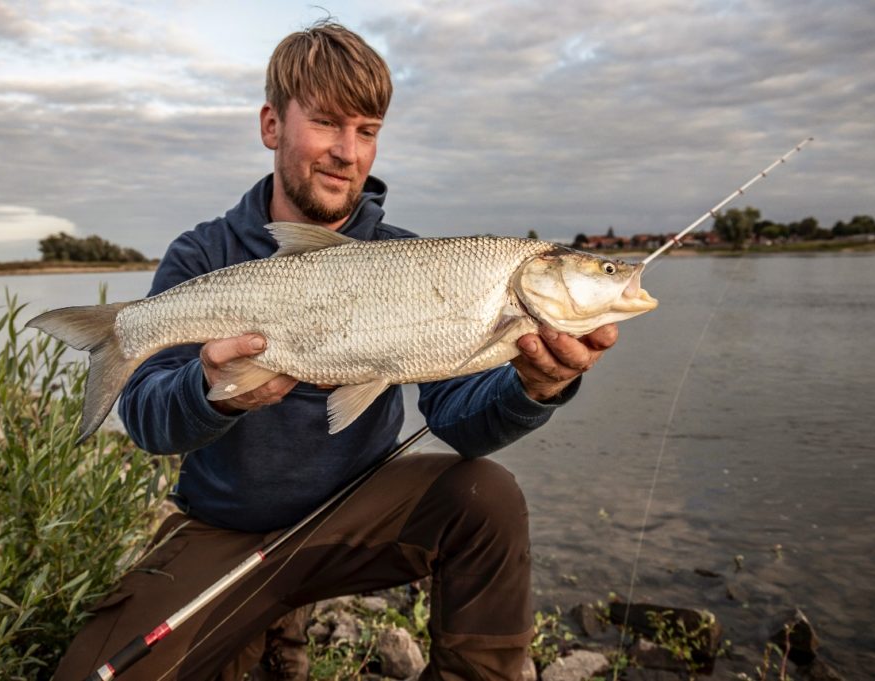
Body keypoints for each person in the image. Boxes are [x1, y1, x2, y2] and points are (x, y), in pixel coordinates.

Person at [54, 20, 618, 681]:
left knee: (486, 497)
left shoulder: (411, 259)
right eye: (326, 123)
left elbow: (457, 420)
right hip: (229, 530)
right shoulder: (201, 255)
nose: (347, 151)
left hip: (353, 516)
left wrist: (533, 388)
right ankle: (266, 624)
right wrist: (208, 391)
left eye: (367, 130)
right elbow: (149, 419)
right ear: (272, 125)